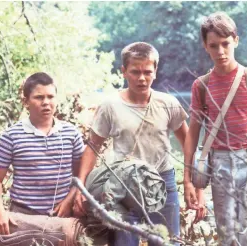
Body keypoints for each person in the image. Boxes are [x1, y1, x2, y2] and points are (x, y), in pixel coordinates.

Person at [73, 42, 190, 246]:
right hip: (123, 184)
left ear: (155, 71)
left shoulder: (168, 103)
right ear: (124, 71)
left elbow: (187, 142)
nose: (142, 78)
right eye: (135, 72)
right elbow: (92, 147)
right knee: (123, 242)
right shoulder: (110, 106)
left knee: (168, 241)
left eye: (147, 71)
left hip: (161, 181)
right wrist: (81, 188)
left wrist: (191, 183)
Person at [183, 12, 247, 245]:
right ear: (205, 46)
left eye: (225, 44)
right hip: (220, 165)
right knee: (228, 236)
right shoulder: (201, 86)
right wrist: (189, 180)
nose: (220, 51)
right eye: (213, 46)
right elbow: (193, 133)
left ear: (236, 40)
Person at [0, 72, 85, 235]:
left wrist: (69, 200)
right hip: (23, 216)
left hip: (62, 215)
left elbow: (81, 175)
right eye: (39, 97)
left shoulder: (71, 133)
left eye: (50, 97)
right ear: (26, 101)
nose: (46, 102)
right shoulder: (11, 135)